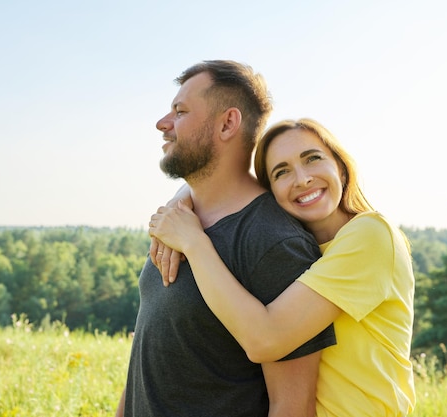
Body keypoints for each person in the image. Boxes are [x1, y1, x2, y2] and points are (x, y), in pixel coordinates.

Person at [149, 118, 416, 416]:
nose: (302, 179)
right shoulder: (299, 250)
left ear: (340, 166)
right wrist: (181, 199)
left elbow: (266, 340)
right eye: (282, 172)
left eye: (312, 158)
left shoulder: (371, 235)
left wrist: (193, 242)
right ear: (271, 192)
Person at [115, 62, 335, 417]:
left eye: (180, 111)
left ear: (228, 123)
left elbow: (291, 405)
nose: (162, 124)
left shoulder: (273, 242)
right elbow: (148, 354)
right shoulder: (176, 224)